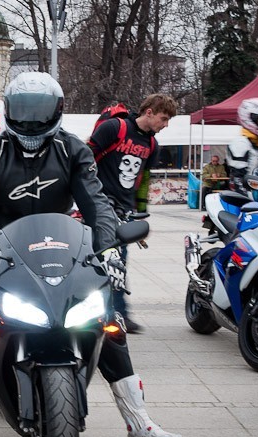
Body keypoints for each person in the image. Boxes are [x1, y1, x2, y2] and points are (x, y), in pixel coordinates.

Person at [0, 72, 182, 437]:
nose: (31, 120)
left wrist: (109, 249)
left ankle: (139, 422)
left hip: (60, 247)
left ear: (57, 111)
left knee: (108, 323)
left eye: (40, 111)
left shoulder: (73, 150)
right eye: (23, 111)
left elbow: (96, 204)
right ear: (9, 111)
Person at [88, 93, 178, 333]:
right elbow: (84, 160)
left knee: (119, 264)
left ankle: (118, 315)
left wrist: (141, 216)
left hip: (124, 212)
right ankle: (104, 315)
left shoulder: (151, 145)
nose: (165, 125)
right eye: (164, 118)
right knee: (97, 262)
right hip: (99, 206)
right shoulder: (114, 128)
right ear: (149, 112)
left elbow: (144, 180)